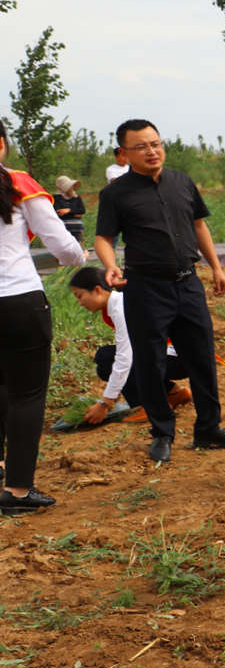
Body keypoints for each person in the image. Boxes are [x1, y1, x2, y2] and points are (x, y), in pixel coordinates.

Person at [93, 120, 225, 465]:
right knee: (150, 363)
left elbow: (198, 225)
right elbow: (104, 237)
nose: (152, 151)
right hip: (146, 288)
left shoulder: (182, 182)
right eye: (142, 147)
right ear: (124, 154)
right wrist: (110, 265)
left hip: (188, 282)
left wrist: (217, 267)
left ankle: (209, 428)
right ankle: (162, 432)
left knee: (202, 357)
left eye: (156, 143)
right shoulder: (115, 194)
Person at [0, 121, 87, 513]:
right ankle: (17, 491)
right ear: (2, 145)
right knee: (26, 395)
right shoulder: (18, 184)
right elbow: (62, 245)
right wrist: (80, 257)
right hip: (18, 300)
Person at [68, 265, 189, 428]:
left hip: (178, 357)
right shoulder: (116, 304)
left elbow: (125, 357)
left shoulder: (120, 307)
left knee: (108, 359)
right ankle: (173, 393)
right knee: (105, 358)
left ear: (97, 290)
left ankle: (151, 406)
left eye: (80, 296)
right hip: (171, 354)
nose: (80, 303)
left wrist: (106, 402)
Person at [53, 177, 85, 241]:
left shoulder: (76, 197)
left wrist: (68, 210)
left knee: (77, 248)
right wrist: (75, 213)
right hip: (63, 229)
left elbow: (82, 210)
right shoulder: (56, 197)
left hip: (77, 229)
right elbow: (59, 212)